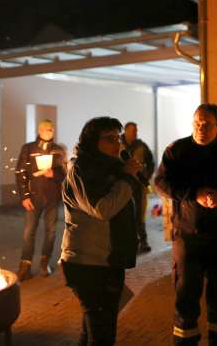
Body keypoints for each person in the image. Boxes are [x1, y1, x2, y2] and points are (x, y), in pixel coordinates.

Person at [154, 103, 217, 346]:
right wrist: (193, 193)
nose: (201, 128)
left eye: (207, 124)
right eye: (197, 123)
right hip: (188, 237)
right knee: (186, 296)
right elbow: (161, 182)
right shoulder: (177, 151)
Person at [61, 117, 140, 346]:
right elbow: (102, 209)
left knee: (93, 330)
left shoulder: (111, 167)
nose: (117, 144)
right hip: (89, 264)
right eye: (109, 139)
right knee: (102, 334)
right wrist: (126, 178)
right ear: (92, 141)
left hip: (108, 260)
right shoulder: (81, 169)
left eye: (118, 138)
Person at [15, 119, 66, 280]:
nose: (48, 131)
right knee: (29, 232)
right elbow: (20, 172)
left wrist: (54, 174)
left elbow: (64, 172)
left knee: (51, 232)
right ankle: (25, 266)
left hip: (52, 197)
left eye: (51, 129)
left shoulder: (57, 150)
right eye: (45, 129)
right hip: (34, 197)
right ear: (39, 130)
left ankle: (44, 262)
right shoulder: (28, 148)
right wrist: (25, 196)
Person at [120, 121, 155, 253]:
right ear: (126, 131)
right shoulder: (118, 145)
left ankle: (143, 241)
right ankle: (129, 242)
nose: (135, 133)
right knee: (125, 213)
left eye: (136, 130)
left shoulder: (142, 146)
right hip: (122, 186)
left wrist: (147, 175)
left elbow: (151, 162)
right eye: (133, 130)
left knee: (139, 213)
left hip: (138, 185)